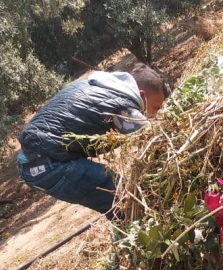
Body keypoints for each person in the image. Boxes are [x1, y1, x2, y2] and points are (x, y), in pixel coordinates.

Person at [17, 64, 169, 216]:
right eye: (155, 108)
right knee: (124, 197)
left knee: (117, 197)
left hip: (31, 161)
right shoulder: (123, 105)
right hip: (48, 162)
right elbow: (154, 140)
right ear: (142, 95)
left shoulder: (102, 86)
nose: (155, 114)